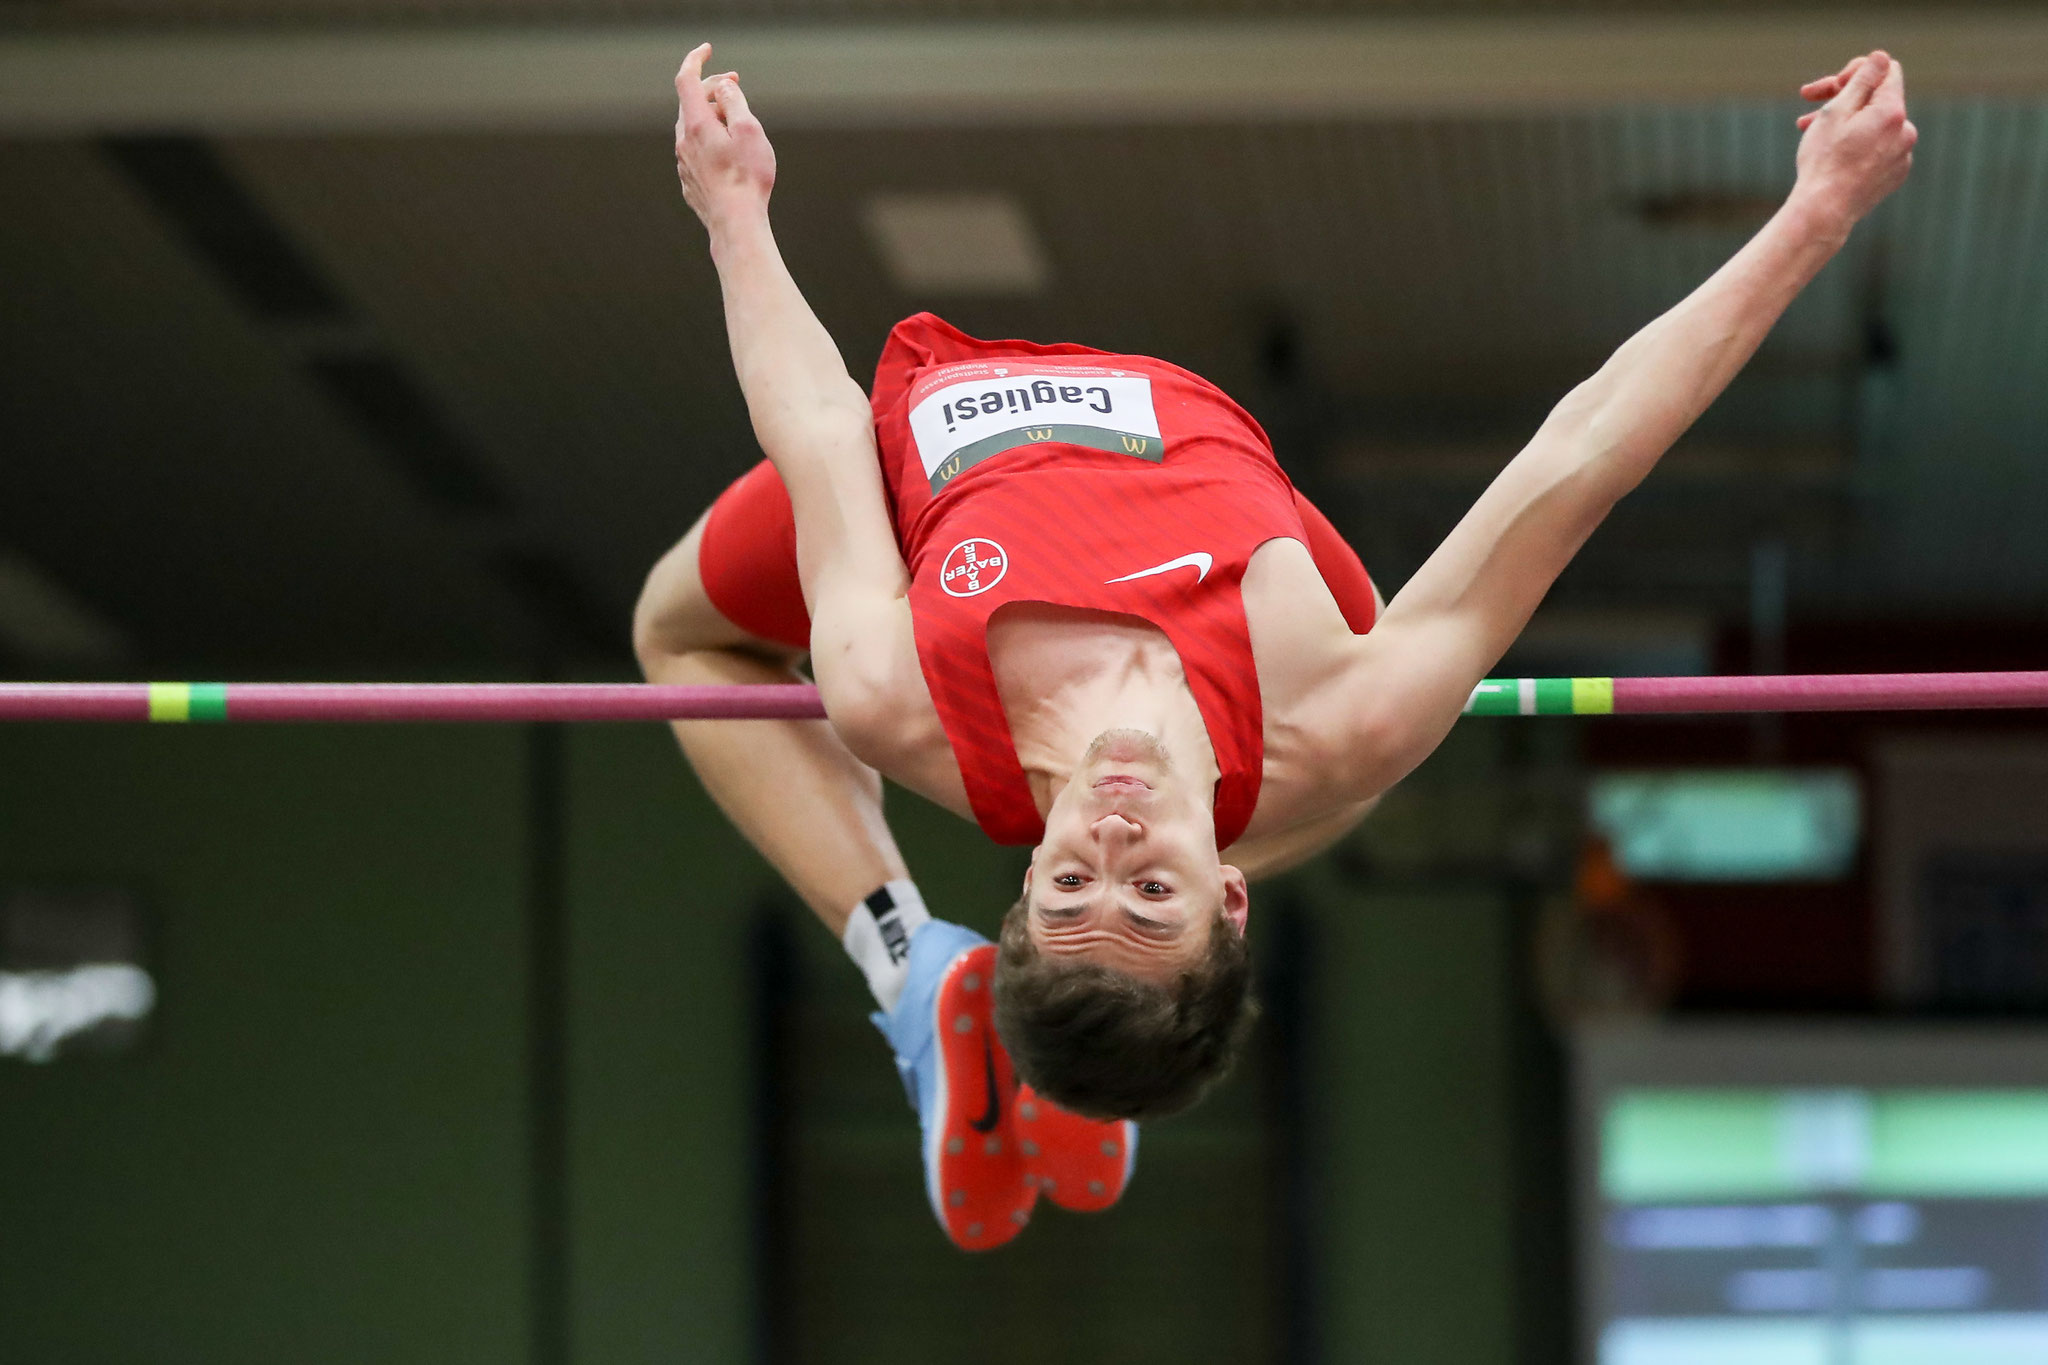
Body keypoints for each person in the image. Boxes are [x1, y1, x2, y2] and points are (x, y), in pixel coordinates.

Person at [634, 44, 1916, 1249]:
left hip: (916, 476)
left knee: (676, 635)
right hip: (1261, 594)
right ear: (1228, 898)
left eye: (1071, 886)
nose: (1112, 846)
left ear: (1023, 889)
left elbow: (814, 425)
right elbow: (1582, 455)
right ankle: (1003, 990)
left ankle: (906, 964)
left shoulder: (894, 691)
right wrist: (1814, 219)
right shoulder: (1340, 709)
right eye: (1151, 894)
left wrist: (734, 215)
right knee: (1351, 766)